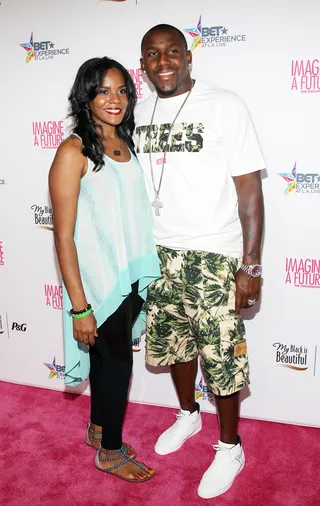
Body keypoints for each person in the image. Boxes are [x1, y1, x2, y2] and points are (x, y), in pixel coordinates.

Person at [134, 24, 265, 498]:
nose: (163, 61)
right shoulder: (136, 112)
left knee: (221, 356)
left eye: (172, 52)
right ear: (142, 63)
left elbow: (249, 188)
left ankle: (230, 445)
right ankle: (188, 415)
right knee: (174, 345)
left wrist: (250, 265)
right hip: (158, 252)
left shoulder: (225, 104)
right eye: (152, 54)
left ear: (189, 58)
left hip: (213, 254)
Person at [49, 57, 160, 483]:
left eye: (121, 91)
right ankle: (110, 452)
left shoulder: (126, 143)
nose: (114, 100)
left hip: (130, 276)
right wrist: (80, 308)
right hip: (97, 284)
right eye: (103, 91)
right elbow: (63, 237)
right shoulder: (72, 150)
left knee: (107, 363)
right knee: (117, 367)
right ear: (86, 96)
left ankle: (98, 429)